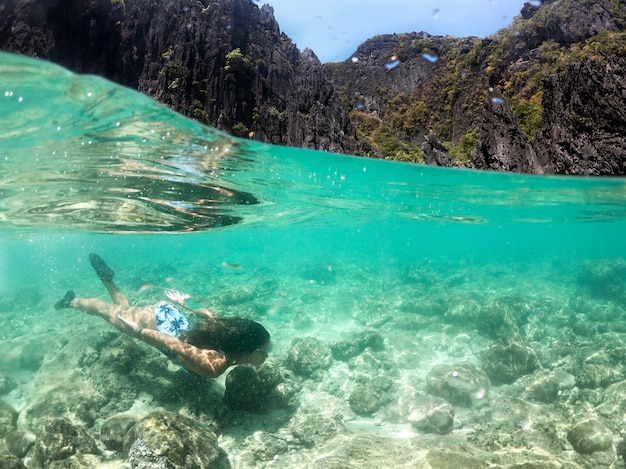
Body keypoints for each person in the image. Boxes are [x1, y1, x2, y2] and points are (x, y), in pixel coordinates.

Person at [55, 254, 269, 378]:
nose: (265, 356)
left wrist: (183, 303)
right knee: (107, 311)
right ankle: (72, 301)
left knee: (125, 309)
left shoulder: (229, 337)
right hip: (159, 326)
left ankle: (107, 280)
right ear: (245, 350)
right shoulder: (215, 365)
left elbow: (214, 317)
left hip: (171, 315)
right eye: (262, 351)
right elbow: (175, 345)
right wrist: (138, 332)